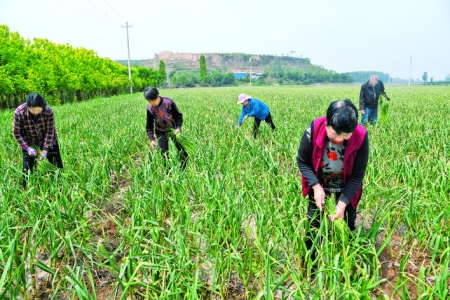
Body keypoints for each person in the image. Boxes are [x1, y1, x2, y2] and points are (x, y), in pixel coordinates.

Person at [296, 100, 369, 256]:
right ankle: (309, 263)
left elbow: (357, 174)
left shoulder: (361, 136)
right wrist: (315, 186)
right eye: (335, 134)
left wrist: (342, 204)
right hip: (320, 185)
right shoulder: (314, 129)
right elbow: (302, 161)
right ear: (327, 124)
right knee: (313, 224)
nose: (339, 140)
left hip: (347, 188)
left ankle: (344, 260)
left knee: (347, 224)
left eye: (345, 136)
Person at [13, 93, 64, 189]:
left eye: (38, 110)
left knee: (56, 163)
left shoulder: (49, 111)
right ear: (28, 106)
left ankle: (59, 184)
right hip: (29, 141)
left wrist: (45, 149)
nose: (36, 112)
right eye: (33, 110)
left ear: (43, 106)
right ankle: (25, 188)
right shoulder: (19, 112)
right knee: (27, 166)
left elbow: (50, 131)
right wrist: (27, 148)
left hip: (48, 140)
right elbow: (17, 133)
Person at [144, 87, 188, 169]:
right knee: (163, 152)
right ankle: (167, 171)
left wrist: (178, 128)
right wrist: (151, 139)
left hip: (174, 130)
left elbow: (178, 116)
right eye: (150, 101)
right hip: (160, 131)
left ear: (158, 95)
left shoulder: (168, 103)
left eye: (154, 100)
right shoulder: (150, 108)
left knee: (181, 148)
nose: (152, 103)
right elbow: (149, 125)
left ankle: (184, 167)